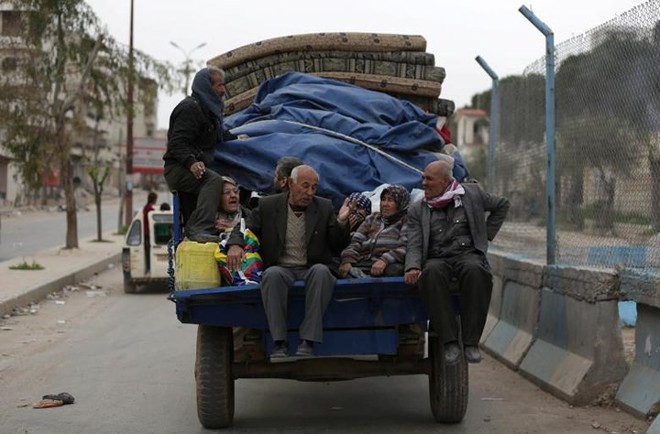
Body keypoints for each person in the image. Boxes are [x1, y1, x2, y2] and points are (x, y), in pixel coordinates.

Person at [226, 165, 351, 358]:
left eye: (314, 188)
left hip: (310, 267)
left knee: (322, 272)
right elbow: (244, 228)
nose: (310, 192)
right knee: (271, 275)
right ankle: (279, 342)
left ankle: (308, 340)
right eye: (305, 186)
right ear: (291, 184)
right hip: (281, 268)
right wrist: (235, 245)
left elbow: (337, 244)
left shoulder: (324, 207)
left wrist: (342, 222)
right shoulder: (268, 205)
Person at [404, 160, 509, 364]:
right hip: (437, 258)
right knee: (431, 274)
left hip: (467, 254)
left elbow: (502, 205)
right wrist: (413, 267)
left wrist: (486, 234)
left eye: (429, 179)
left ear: (445, 181)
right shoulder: (417, 209)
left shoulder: (472, 194)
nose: (424, 183)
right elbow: (414, 244)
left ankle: (471, 343)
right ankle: (449, 341)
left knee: (476, 271)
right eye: (423, 178)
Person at [163, 66, 236, 243]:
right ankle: (199, 227)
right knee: (213, 181)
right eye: (218, 86)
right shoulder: (189, 108)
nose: (222, 90)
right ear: (206, 86)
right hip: (178, 168)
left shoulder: (209, 112)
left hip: (196, 167)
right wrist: (191, 162)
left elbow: (218, 136)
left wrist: (239, 139)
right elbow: (177, 143)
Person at [338, 185, 409, 278]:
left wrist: (385, 260)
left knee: (394, 271)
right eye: (383, 199)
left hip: (386, 265)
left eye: (390, 200)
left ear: (400, 203)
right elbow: (356, 242)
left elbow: (405, 247)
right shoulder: (372, 218)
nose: (385, 204)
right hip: (363, 262)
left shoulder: (406, 220)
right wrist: (347, 260)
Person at [142, 191, 158, 273]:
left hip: (146, 233)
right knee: (149, 251)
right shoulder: (150, 209)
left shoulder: (146, 207)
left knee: (147, 251)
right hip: (148, 233)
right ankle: (149, 267)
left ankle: (148, 267)